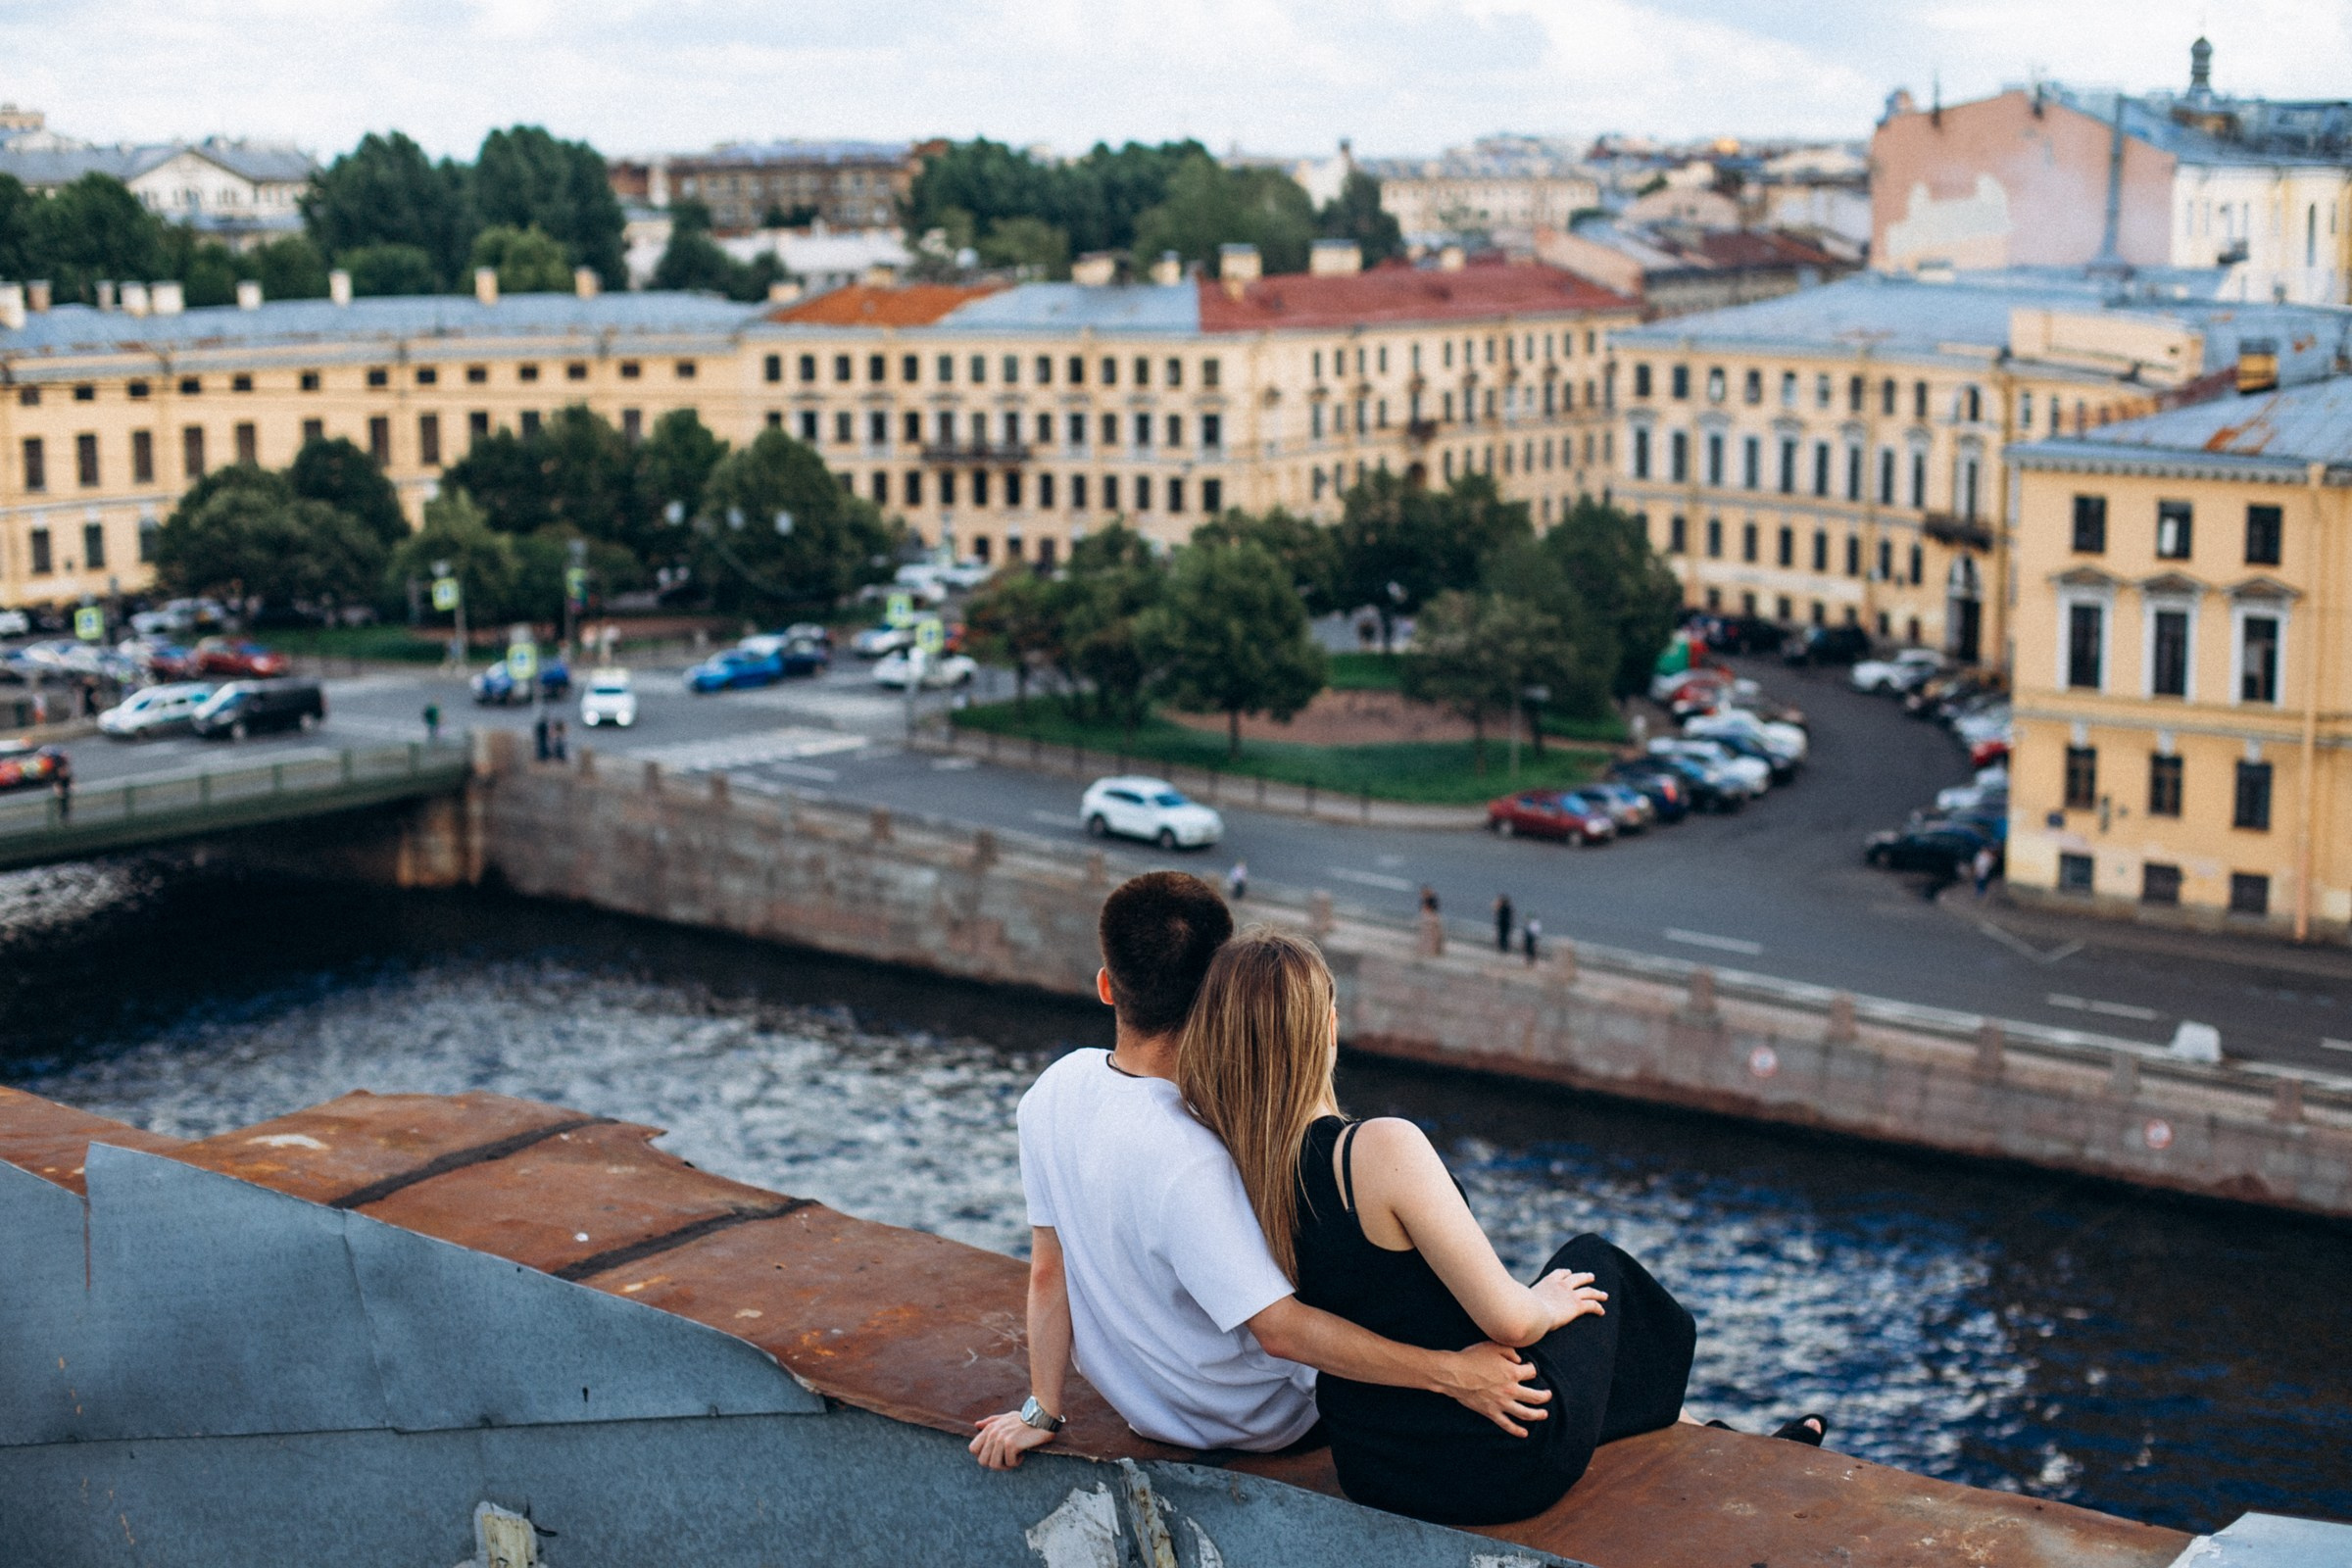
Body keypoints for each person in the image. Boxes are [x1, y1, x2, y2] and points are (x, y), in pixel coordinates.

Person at [1178, 929, 1825, 1528]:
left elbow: (1294, 1328)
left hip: (1371, 1463)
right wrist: (1542, 1299)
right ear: (1326, 1028)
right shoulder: (1377, 1150)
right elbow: (1509, 1324)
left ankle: (1715, 1434)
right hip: (1489, 1458)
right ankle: (1721, 1448)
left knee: (1568, 1328)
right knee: (1596, 1263)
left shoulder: (1235, 1167)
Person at [970, 873, 1546, 1471]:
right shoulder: (1196, 1151)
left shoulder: (1053, 1090)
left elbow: (1047, 1272)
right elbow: (1281, 1332)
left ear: (1107, 988)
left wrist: (1042, 1409)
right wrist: (1451, 1374)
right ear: (1218, 996)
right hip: (1261, 1419)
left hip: (1141, 1406)